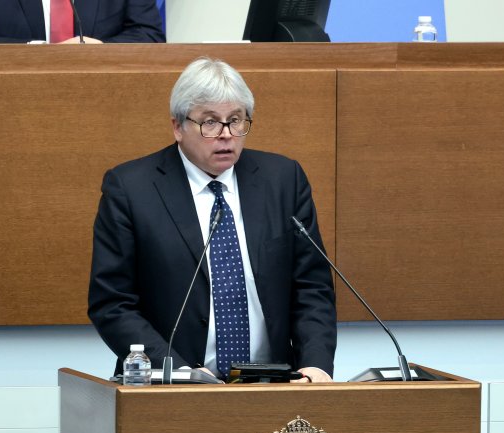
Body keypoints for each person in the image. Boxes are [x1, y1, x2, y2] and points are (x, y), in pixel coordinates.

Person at [88, 57, 337, 383]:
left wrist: (316, 364)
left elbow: (312, 287)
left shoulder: (283, 180)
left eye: (235, 120)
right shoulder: (131, 189)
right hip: (171, 389)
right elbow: (112, 303)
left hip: (274, 386)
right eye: (210, 122)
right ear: (178, 127)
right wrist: (180, 374)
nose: (226, 135)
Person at [0, 0, 164, 44]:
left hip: (106, 106)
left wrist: (99, 51)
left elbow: (149, 35)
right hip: (6, 106)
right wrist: (38, 53)